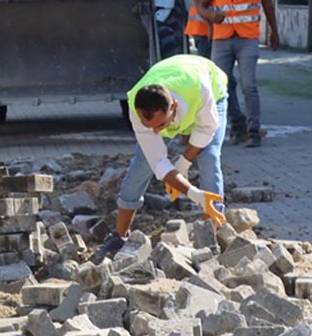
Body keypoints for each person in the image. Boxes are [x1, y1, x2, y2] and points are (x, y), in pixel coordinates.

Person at [93, 55, 230, 262]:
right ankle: (119, 236)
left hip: (212, 90)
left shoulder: (200, 90)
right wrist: (194, 193)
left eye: (160, 124)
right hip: (175, 88)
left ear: (173, 106)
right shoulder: (136, 106)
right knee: (141, 165)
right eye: (149, 126)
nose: (155, 131)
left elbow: (206, 129)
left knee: (209, 157)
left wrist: (183, 163)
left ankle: (211, 236)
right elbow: (158, 162)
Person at [195, 0, 279, 148]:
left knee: (248, 85)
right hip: (221, 40)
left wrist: (274, 32)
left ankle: (253, 131)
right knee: (222, 86)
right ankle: (237, 125)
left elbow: (268, 4)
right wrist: (211, 16)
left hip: (247, 39)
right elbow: (201, 6)